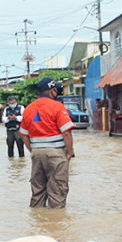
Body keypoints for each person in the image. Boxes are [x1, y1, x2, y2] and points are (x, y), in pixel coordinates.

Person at [20, 77, 74, 208]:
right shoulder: (57, 107)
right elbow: (66, 132)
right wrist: (70, 153)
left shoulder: (29, 108)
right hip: (55, 153)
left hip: (37, 154)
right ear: (53, 91)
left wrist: (33, 151)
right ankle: (55, 224)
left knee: (37, 191)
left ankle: (38, 222)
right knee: (57, 191)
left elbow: (23, 134)